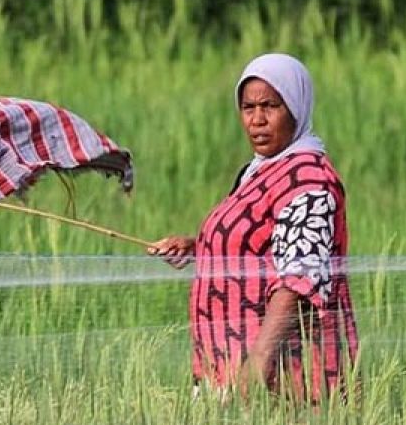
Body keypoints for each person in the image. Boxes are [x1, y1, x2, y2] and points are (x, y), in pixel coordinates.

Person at [149, 53, 360, 404]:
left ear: (296, 106)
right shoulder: (260, 171)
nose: (257, 120)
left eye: (271, 106)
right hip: (229, 361)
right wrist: (198, 246)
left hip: (281, 371)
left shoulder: (307, 179)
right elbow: (262, 244)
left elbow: (299, 278)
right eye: (248, 108)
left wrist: (259, 360)